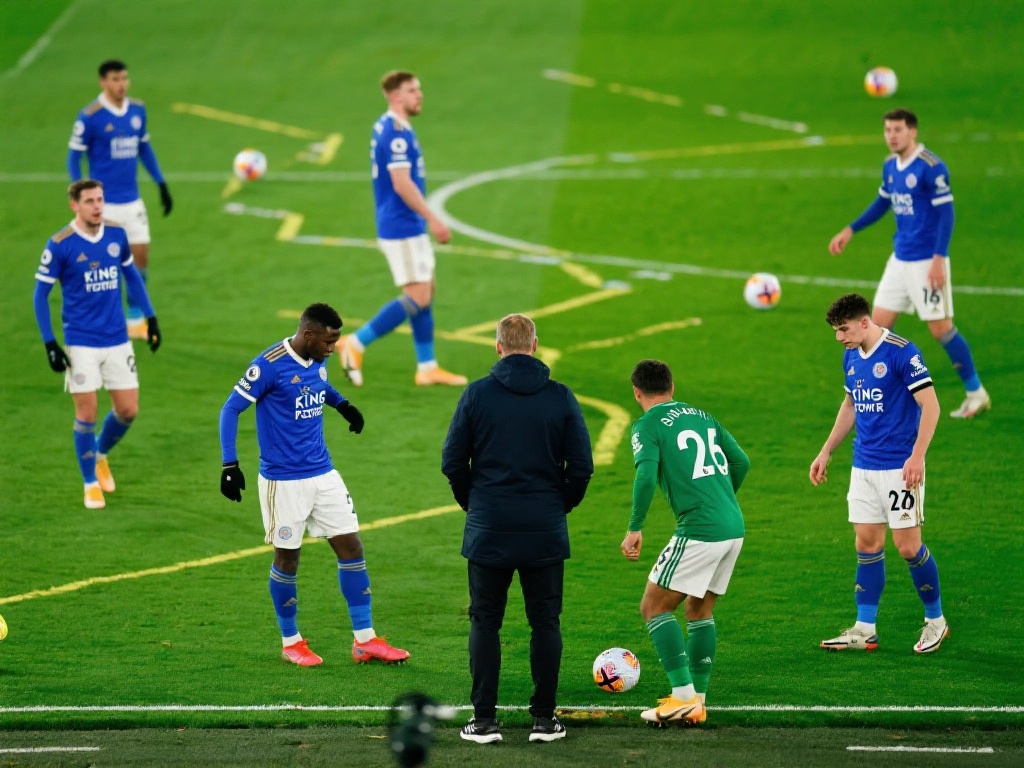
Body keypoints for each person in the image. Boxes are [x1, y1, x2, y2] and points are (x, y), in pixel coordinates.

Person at [218, 302, 409, 667]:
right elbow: (230, 409)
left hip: (323, 474)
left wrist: (343, 405)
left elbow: (318, 384)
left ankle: (365, 640)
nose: (333, 349)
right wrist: (230, 464)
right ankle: (291, 642)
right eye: (329, 341)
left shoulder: (316, 357)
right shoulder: (268, 365)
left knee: (351, 546)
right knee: (288, 559)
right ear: (308, 335)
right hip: (283, 482)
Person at [441, 313, 593, 744]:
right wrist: (558, 506)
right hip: (543, 527)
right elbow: (582, 467)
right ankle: (544, 720)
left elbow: (452, 462)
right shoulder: (560, 397)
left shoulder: (476, 395)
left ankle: (484, 721)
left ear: (498, 347)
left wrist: (475, 504)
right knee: (545, 622)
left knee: (485, 621)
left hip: (489, 526)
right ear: (535, 345)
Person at [810, 293, 949, 655]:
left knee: (908, 547)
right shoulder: (851, 355)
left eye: (844, 329)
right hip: (863, 468)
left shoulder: (902, 352)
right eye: (836, 331)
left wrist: (917, 456)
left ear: (864, 322)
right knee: (867, 545)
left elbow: (931, 405)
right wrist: (826, 450)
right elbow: (851, 404)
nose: (839, 337)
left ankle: (936, 620)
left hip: (900, 468)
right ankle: (864, 628)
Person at [828, 108, 989, 419]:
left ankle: (976, 393)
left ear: (912, 132)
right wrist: (851, 229)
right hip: (899, 261)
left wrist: (939, 258)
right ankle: (877, 392)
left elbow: (946, 214)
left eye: (898, 130)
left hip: (927, 261)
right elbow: (882, 202)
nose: (892, 136)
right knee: (876, 327)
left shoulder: (931, 167)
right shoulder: (890, 165)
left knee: (940, 329)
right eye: (888, 130)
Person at [620, 359, 748, 727]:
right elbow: (741, 462)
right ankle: (698, 701)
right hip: (733, 526)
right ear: (671, 387)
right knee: (698, 610)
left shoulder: (647, 425)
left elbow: (646, 477)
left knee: (653, 607)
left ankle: (682, 696)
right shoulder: (703, 416)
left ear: (636, 392)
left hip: (701, 529)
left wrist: (635, 527)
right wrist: (720, 498)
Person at [33, 179, 161, 510]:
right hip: (81, 343)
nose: (97, 206)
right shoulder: (60, 244)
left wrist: (150, 316)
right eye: (89, 201)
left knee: (128, 410)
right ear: (74, 205)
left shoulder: (116, 234)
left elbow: (131, 276)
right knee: (86, 413)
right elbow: (40, 295)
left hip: (117, 339)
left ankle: (100, 454)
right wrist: (50, 343)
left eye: (100, 199)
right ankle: (90, 483)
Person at [338, 70, 466, 388]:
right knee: (418, 295)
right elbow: (401, 182)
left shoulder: (391, 126)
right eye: (412, 90)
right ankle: (355, 343)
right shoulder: (395, 133)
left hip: (406, 223)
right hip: (401, 225)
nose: (419, 95)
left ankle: (427, 367)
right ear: (396, 96)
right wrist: (433, 218)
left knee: (426, 291)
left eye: (418, 89)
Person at [68, 59, 172, 340]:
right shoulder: (90, 116)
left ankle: (134, 319)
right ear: (103, 82)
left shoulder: (137, 110)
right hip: (104, 205)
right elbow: (73, 158)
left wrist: (161, 183)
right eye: (115, 79)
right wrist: (81, 195)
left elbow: (144, 148)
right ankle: (98, 320)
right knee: (102, 266)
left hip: (132, 201)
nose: (121, 84)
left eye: (124, 78)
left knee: (141, 258)